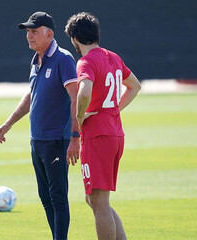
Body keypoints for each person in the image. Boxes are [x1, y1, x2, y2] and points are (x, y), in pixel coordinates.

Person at [0, 11, 79, 240]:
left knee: (58, 198)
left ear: (49, 33)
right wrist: (8, 123)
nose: (30, 36)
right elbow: (32, 95)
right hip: (37, 139)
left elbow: (76, 98)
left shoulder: (63, 58)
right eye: (28, 32)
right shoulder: (36, 60)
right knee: (45, 197)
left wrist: (75, 137)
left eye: (34, 31)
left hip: (56, 140)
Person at [65, 12, 141, 240]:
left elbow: (84, 91)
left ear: (75, 38)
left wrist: (80, 117)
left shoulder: (86, 62)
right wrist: (113, 109)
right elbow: (134, 86)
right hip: (114, 133)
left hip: (98, 135)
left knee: (99, 202)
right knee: (96, 200)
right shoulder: (113, 57)